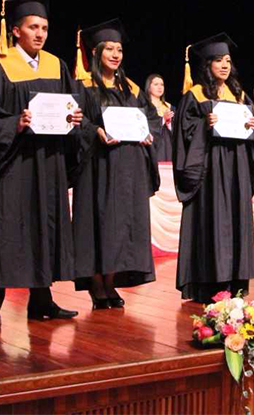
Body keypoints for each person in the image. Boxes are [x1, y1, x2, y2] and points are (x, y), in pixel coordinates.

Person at [0, 0, 85, 330]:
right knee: (2, 230)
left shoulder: (56, 65)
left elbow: (67, 109)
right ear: (15, 30)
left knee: (43, 226)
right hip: (10, 165)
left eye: (44, 28)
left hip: (47, 163)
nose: (40, 34)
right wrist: (13, 123)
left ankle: (42, 300)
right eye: (33, 27)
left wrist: (73, 119)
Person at [71, 19, 160, 309]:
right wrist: (93, 130)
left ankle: (111, 281)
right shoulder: (83, 85)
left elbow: (151, 118)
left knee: (122, 224)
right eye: (109, 49)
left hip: (129, 165)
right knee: (99, 221)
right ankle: (97, 283)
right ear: (96, 52)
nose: (115, 54)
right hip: (98, 164)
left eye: (119, 49)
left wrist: (148, 133)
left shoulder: (132, 88)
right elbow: (74, 118)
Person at [173, 33, 254, 303]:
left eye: (227, 60)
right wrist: (204, 125)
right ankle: (209, 283)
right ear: (207, 65)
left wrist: (252, 126)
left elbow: (252, 130)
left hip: (237, 166)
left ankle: (234, 281)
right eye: (217, 61)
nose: (224, 65)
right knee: (213, 218)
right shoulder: (196, 94)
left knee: (236, 217)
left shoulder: (239, 94)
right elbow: (184, 131)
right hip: (210, 168)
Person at [144, 73, 174, 162]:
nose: (160, 87)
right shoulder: (145, 106)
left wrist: (169, 123)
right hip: (152, 147)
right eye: (156, 84)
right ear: (148, 87)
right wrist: (162, 120)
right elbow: (144, 127)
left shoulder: (169, 107)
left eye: (162, 85)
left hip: (168, 146)